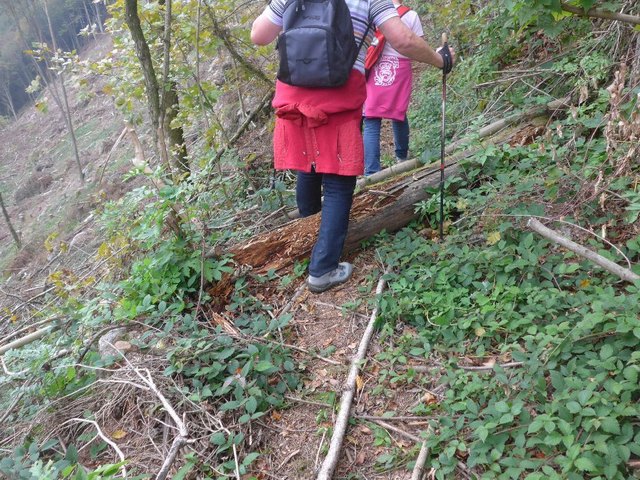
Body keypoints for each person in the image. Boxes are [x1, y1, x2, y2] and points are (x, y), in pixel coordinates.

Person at [251, 0, 454, 293]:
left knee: (308, 166)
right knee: (337, 185)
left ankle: (309, 235)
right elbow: (404, 40)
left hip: (293, 95)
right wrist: (440, 60)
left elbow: (259, 35)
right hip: (339, 97)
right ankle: (322, 269)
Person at [363, 0, 423, 176]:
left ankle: (372, 172)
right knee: (399, 113)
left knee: (371, 119)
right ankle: (402, 158)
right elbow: (419, 46)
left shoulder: (372, 12)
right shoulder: (410, 15)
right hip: (401, 67)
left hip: (374, 65)